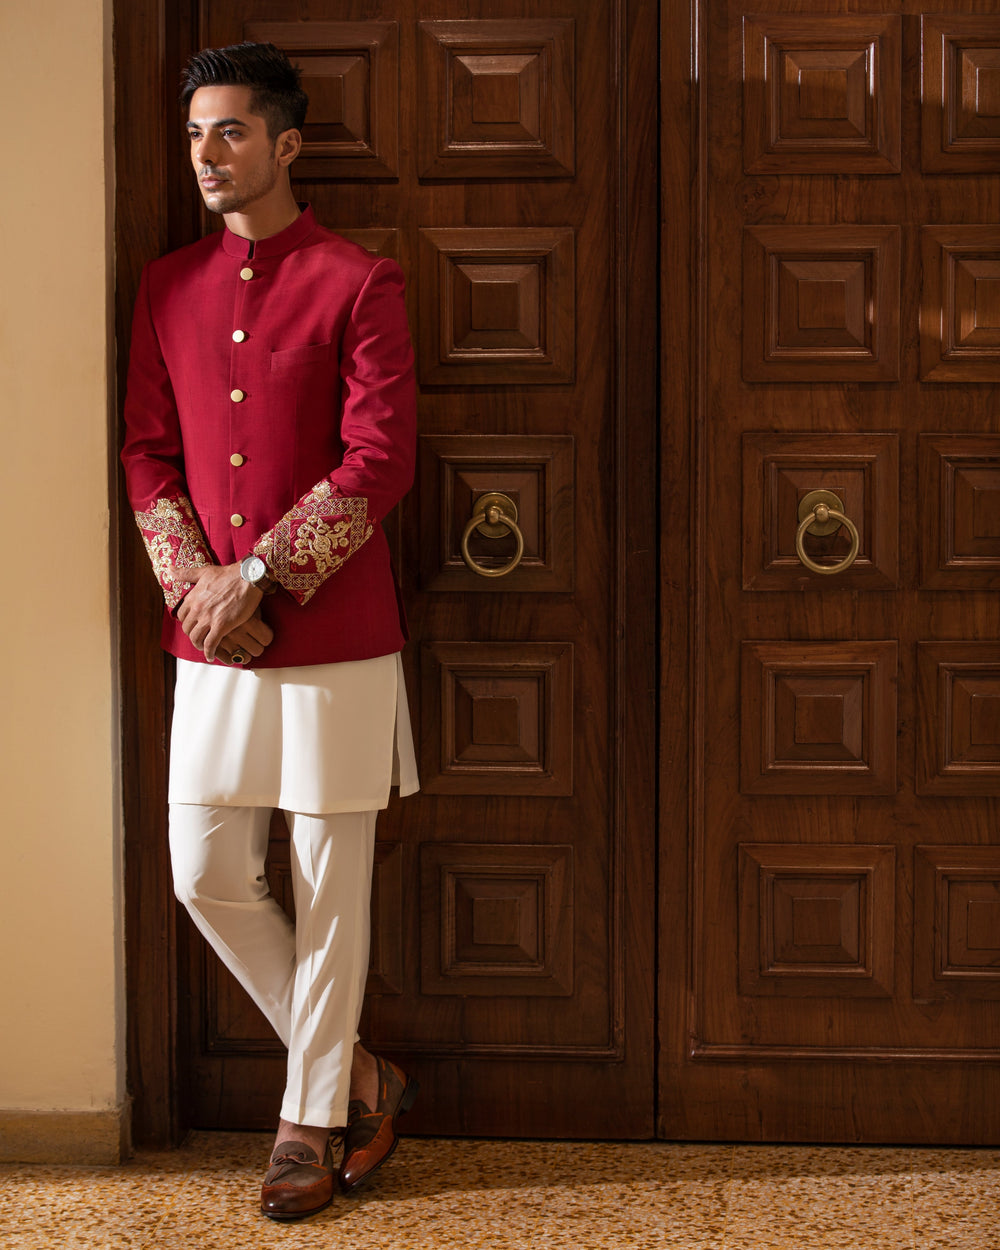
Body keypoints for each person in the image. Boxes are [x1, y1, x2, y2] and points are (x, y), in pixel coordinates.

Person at [121, 41, 419, 1221]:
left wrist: (263, 574)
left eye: (231, 131)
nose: (207, 152)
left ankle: (308, 1123)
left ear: (286, 144)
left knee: (328, 877)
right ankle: (359, 1070)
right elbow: (148, 453)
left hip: (334, 632)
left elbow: (379, 457)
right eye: (196, 132)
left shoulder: (358, 280)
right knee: (205, 873)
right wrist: (199, 585)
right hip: (211, 637)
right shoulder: (165, 287)